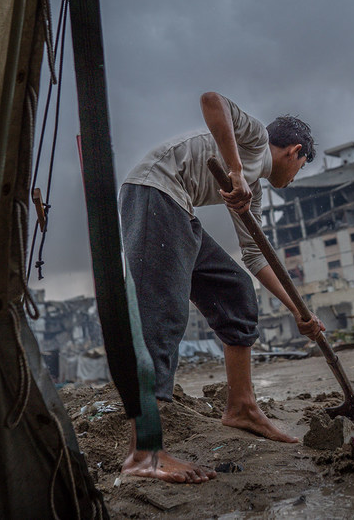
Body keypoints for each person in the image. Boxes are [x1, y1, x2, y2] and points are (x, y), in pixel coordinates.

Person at [118, 91, 325, 483]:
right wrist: (234, 171)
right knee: (162, 315)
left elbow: (257, 257)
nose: (294, 178)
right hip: (152, 193)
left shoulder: (255, 192)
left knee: (236, 291)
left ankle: (242, 408)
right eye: (299, 168)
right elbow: (212, 101)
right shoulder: (254, 140)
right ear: (295, 152)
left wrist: (299, 311)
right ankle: (144, 455)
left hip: (179, 208)